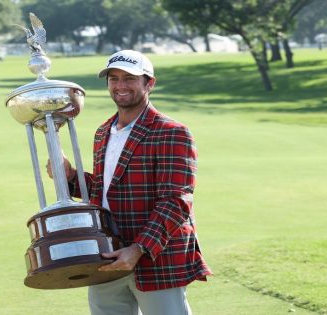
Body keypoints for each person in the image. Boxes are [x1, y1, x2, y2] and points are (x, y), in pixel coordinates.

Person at [48, 50, 212, 315]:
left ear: (149, 83)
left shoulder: (172, 132)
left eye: (129, 78)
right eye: (114, 79)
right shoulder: (103, 131)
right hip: (106, 257)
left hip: (156, 258)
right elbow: (104, 192)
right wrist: (70, 177)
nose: (120, 86)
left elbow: (176, 202)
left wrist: (137, 249)